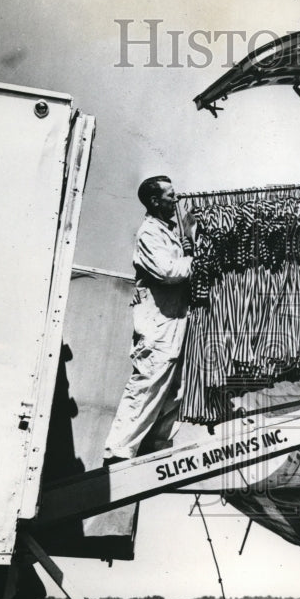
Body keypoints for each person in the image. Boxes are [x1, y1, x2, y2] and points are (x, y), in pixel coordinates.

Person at [103, 175, 193, 465]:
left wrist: (190, 240)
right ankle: (118, 451)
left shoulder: (167, 232)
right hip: (157, 325)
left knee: (173, 389)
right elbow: (168, 271)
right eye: (170, 196)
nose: (175, 201)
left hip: (173, 323)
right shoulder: (149, 232)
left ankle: (151, 449)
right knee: (148, 384)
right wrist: (196, 258)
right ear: (155, 201)